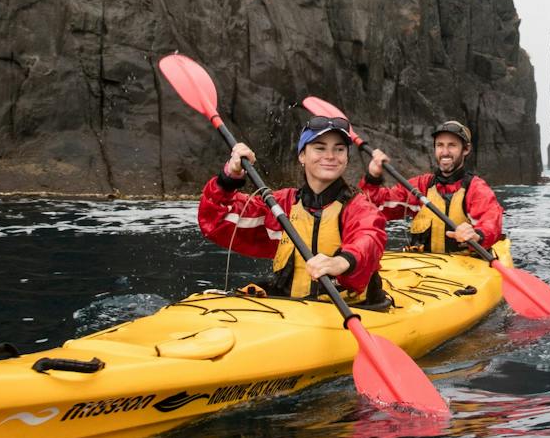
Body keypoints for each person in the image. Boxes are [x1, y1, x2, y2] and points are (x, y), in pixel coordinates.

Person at [196, 114, 387, 302]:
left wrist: (341, 261)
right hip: (292, 308)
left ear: (346, 158)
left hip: (354, 308)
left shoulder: (360, 207)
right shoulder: (281, 204)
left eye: (339, 150)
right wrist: (229, 177)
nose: (330, 156)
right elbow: (215, 220)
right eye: (320, 148)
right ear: (302, 155)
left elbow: (370, 237)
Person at [360, 120, 505, 254]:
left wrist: (477, 235)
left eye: (452, 145)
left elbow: (491, 222)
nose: (445, 152)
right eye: (440, 145)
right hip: (427, 269)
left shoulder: (476, 188)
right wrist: (373, 176)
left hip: (465, 269)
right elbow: (374, 205)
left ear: (466, 149)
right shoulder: (420, 186)